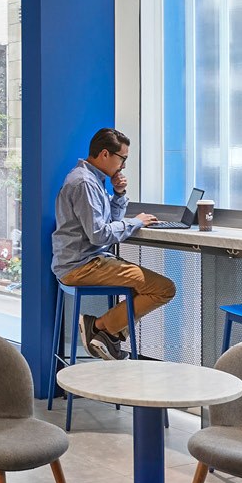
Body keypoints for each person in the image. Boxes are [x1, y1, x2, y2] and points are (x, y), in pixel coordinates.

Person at [51, 127, 177, 361]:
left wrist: (119, 194)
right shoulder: (84, 183)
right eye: (123, 158)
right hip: (82, 266)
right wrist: (136, 222)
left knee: (143, 287)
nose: (124, 165)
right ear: (105, 154)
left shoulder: (92, 180)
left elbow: (109, 222)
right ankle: (98, 327)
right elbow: (99, 235)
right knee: (164, 289)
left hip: (85, 261)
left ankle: (106, 336)